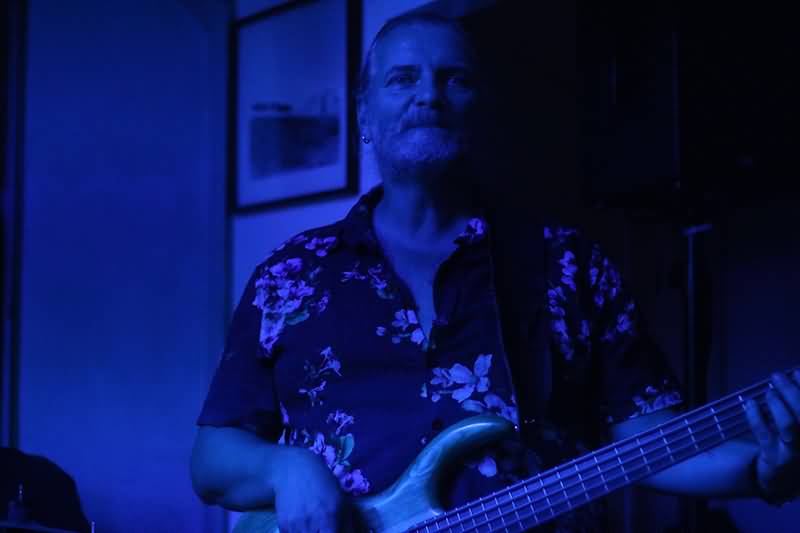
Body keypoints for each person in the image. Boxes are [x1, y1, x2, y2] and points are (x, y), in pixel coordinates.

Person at [190, 13, 800, 532]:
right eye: (403, 79)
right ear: (364, 115)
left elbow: (650, 440)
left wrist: (761, 469)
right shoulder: (290, 274)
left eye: (454, 79)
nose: (429, 95)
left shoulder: (568, 264)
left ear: (478, 112)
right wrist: (285, 467)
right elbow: (213, 459)